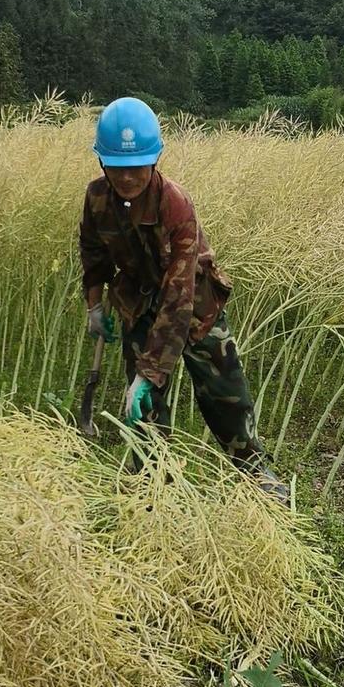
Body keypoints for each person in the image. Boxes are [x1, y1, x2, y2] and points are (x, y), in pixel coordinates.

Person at [79, 96, 288, 502]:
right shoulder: (97, 198)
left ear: (155, 159)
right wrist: (95, 306)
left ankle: (254, 471)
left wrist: (151, 370)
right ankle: (152, 482)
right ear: (102, 161)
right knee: (143, 407)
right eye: (117, 167)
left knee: (225, 392)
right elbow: (93, 253)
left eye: (137, 166)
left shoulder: (175, 203)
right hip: (139, 301)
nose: (127, 177)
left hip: (194, 304)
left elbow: (178, 297)